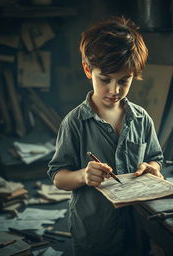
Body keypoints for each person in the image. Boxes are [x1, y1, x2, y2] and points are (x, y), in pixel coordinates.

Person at [48, 16, 164, 256]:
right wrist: (82, 175)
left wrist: (151, 168)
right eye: (105, 80)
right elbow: (58, 177)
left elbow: (156, 158)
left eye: (124, 80)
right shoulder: (75, 123)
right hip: (95, 234)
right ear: (87, 69)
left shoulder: (142, 119)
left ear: (135, 74)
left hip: (137, 229)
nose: (114, 90)